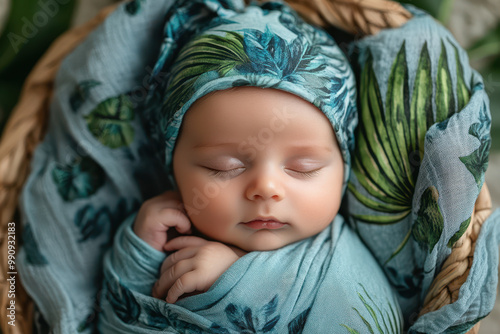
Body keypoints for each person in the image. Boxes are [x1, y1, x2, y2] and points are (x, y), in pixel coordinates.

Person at [133, 86, 346, 303]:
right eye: (224, 167)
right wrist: (142, 255)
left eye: (304, 167)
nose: (266, 188)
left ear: (344, 171)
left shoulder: (342, 259)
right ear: (173, 171)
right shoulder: (163, 235)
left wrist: (237, 277)